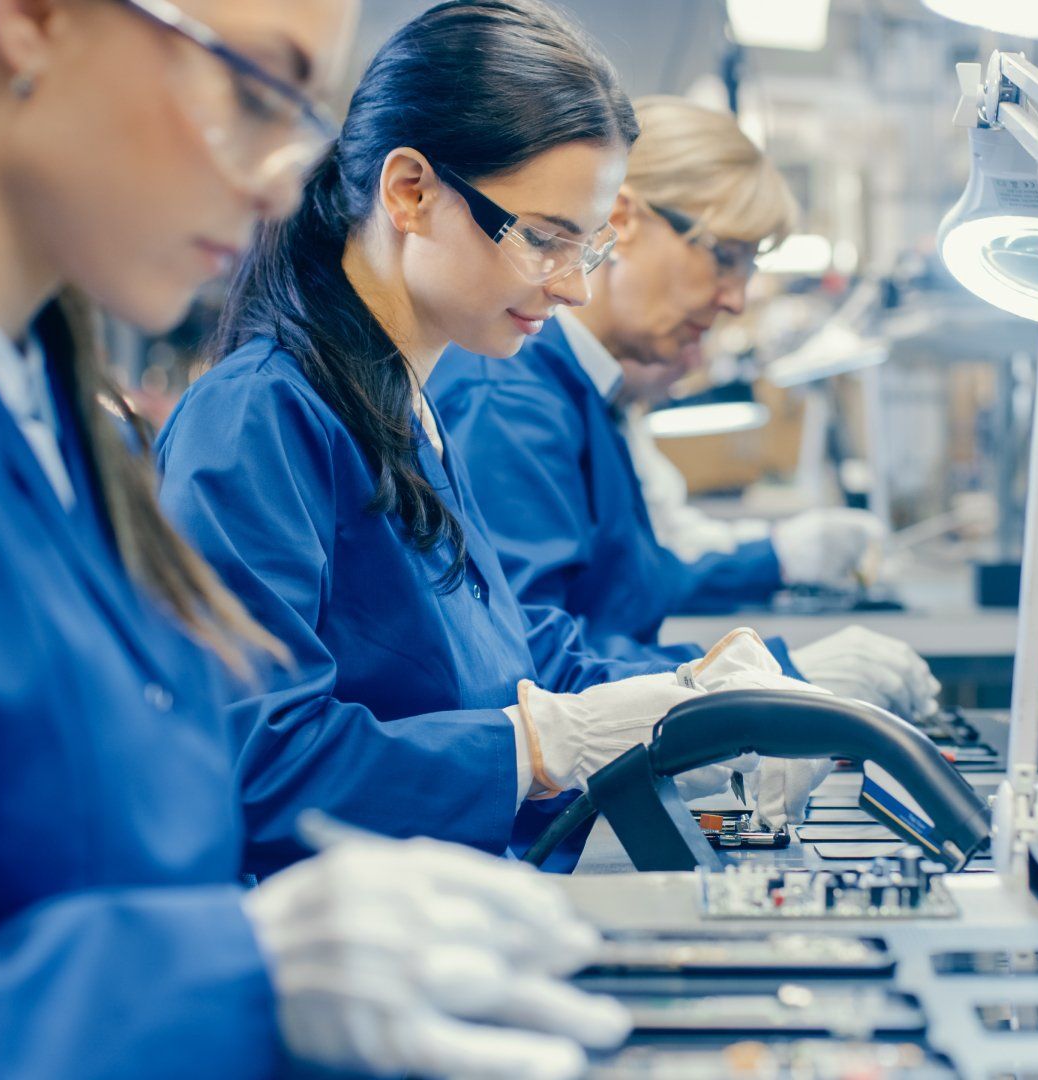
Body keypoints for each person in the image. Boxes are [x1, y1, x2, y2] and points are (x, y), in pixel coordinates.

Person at [0, 1, 631, 1076]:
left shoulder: (31, 386)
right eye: (255, 87)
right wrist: (232, 972)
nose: (282, 175)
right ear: (33, 20)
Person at [158, 0, 836, 869]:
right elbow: (258, 762)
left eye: (586, 249)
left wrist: (688, 695)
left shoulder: (405, 410)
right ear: (409, 192)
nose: (574, 289)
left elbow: (506, 655)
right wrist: (534, 748)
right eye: (545, 240)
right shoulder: (257, 419)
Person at [429, 96, 942, 720]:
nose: (736, 298)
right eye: (724, 256)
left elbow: (631, 587)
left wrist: (773, 568)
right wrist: (762, 678)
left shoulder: (583, 396)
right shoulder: (509, 396)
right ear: (624, 222)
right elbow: (534, 668)